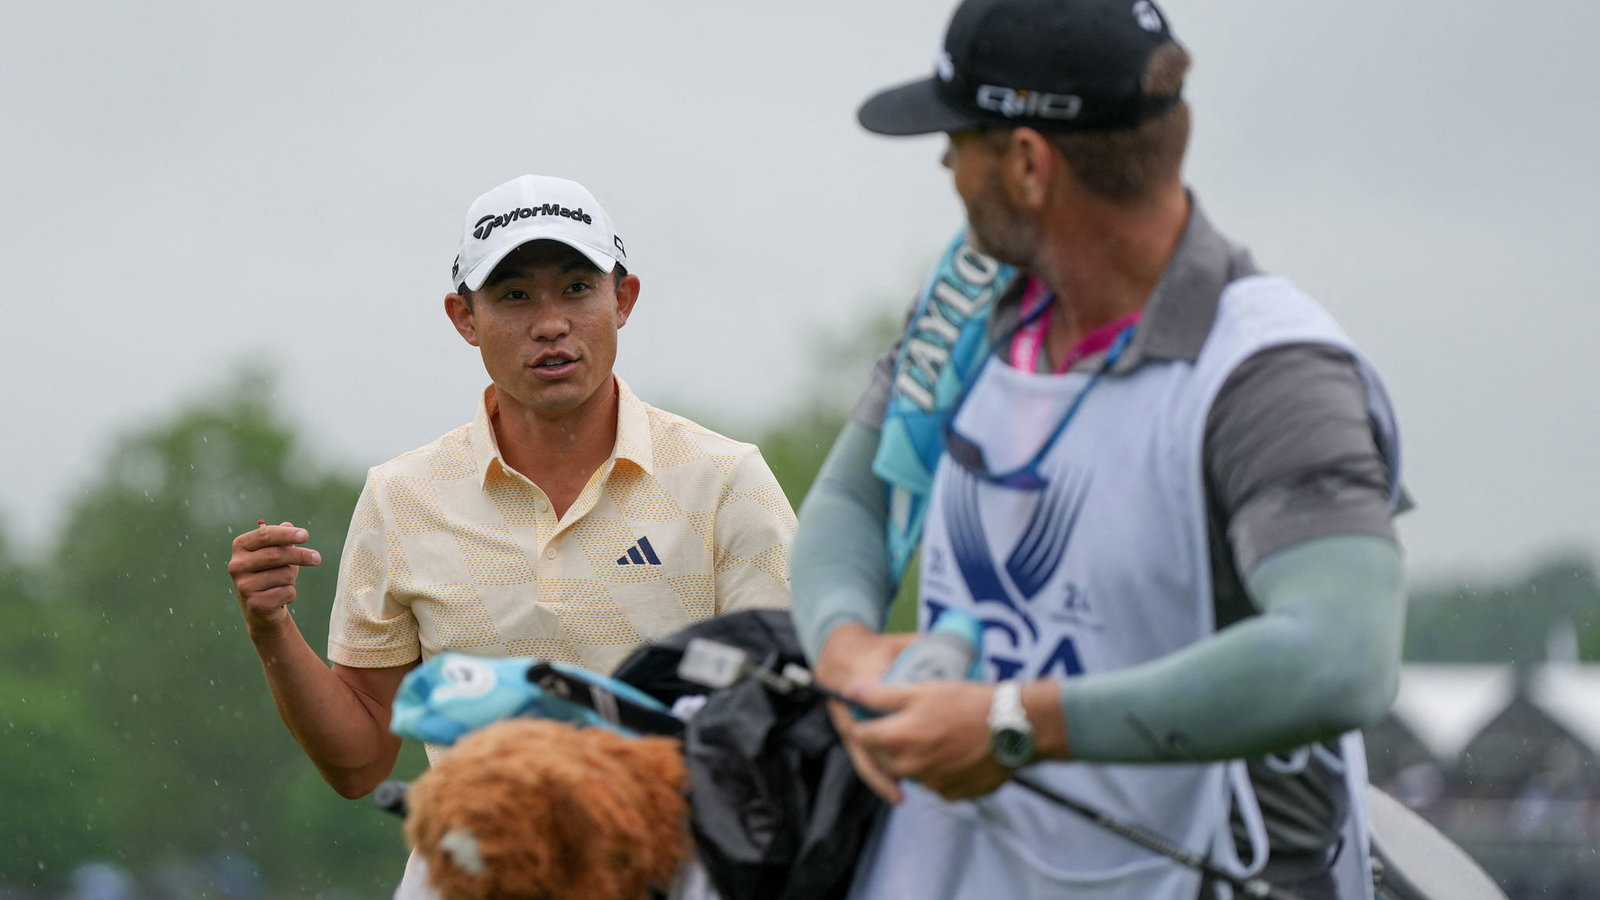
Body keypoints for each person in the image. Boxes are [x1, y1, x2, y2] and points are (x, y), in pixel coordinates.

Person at [790, 1, 1407, 899]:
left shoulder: (1271, 370)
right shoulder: (972, 296)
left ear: (1030, 164)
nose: (946, 164)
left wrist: (1011, 723)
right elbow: (854, 503)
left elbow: (1342, 654)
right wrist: (845, 647)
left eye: (961, 137)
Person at [226, 174, 795, 889]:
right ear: (464, 317)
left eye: (577, 288)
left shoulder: (724, 482)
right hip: (470, 876)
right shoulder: (404, 498)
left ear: (623, 300)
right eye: (514, 295)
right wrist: (272, 627)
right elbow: (360, 760)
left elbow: (785, 718)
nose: (550, 322)